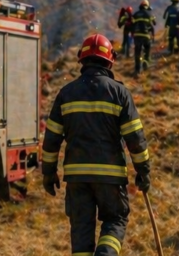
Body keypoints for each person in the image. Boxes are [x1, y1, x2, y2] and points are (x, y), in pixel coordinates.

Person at [42, 34, 152, 256]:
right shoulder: (119, 93)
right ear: (110, 61)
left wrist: (48, 173)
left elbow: (51, 139)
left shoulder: (66, 94)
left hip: (77, 177)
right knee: (116, 219)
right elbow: (135, 138)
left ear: (82, 60)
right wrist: (143, 171)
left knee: (81, 230)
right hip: (110, 177)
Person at [129, 0, 156, 75]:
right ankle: (145, 64)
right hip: (146, 35)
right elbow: (154, 23)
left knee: (137, 52)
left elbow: (132, 24)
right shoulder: (150, 14)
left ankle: (137, 70)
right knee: (147, 50)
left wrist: (133, 33)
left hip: (137, 36)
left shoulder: (136, 14)